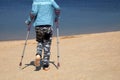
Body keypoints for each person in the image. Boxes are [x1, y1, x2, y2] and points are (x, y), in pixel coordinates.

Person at [25, 0, 60, 71]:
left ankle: (38, 54)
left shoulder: (35, 1)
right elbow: (57, 8)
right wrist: (57, 17)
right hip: (48, 25)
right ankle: (46, 66)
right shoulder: (51, 0)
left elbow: (33, 13)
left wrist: (28, 20)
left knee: (40, 41)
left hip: (38, 26)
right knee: (47, 45)